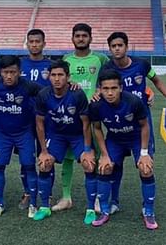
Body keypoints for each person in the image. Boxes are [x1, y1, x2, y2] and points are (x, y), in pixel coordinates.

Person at [98, 31, 166, 214]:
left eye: (120, 45)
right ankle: (114, 203)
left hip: (141, 124)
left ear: (126, 47)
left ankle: (148, 208)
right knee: (112, 166)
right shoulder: (106, 69)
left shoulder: (141, 64)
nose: (117, 49)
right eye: (113, 46)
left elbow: (156, 81)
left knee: (145, 166)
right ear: (110, 49)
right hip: (117, 126)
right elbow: (100, 91)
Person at [89, 69, 157, 230]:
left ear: (120, 88)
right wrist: (104, 155)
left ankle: (148, 210)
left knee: (146, 169)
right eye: (105, 89)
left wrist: (144, 153)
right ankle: (105, 210)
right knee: (105, 167)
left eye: (113, 88)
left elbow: (145, 126)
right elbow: (97, 128)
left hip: (137, 138)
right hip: (115, 139)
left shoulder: (133, 101)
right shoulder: (96, 105)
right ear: (100, 89)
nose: (110, 93)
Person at [53, 23, 109, 212]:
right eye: (77, 35)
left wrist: (100, 91)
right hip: (69, 115)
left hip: (93, 117)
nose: (81, 39)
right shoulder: (66, 59)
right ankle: (66, 197)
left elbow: (110, 78)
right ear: (72, 38)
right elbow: (59, 79)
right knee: (68, 158)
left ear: (90, 38)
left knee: (93, 158)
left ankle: (97, 199)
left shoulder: (100, 58)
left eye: (84, 35)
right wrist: (69, 81)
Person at [33, 60, 98, 225]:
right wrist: (43, 150)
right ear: (49, 77)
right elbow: (39, 124)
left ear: (68, 77)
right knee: (44, 163)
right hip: (56, 135)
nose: (57, 79)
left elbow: (85, 124)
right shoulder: (43, 95)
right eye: (53, 75)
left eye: (60, 75)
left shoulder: (77, 94)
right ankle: (45, 207)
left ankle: (91, 209)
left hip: (77, 135)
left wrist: (88, 149)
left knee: (89, 164)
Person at [0, 55, 42, 218]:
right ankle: (0, 204)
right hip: (2, 134)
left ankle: (33, 204)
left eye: (13, 72)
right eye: (6, 72)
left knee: (29, 166)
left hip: (24, 133)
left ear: (19, 72)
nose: (9, 76)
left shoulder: (29, 86)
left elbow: (48, 92)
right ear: (0, 72)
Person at [17, 28, 53, 210]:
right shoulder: (19, 65)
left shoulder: (52, 66)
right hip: (23, 119)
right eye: (31, 41)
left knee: (47, 155)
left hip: (47, 120)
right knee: (26, 159)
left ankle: (48, 194)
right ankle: (28, 192)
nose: (34, 44)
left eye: (38, 41)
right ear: (27, 44)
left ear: (44, 44)